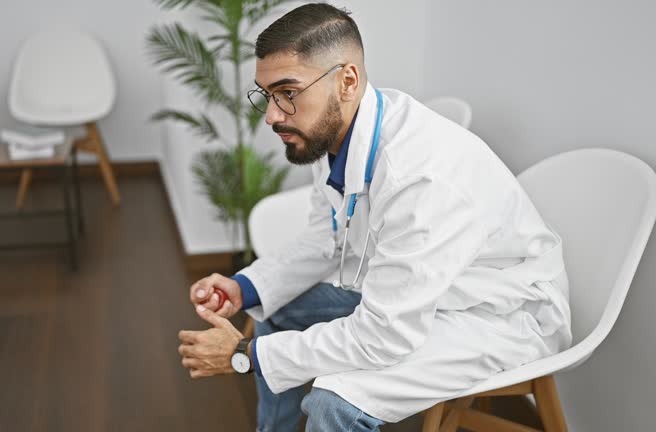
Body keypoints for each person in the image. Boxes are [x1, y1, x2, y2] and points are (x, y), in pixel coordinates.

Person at [177, 3, 571, 431]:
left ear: (347, 81)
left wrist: (246, 355)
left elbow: (384, 335)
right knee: (276, 307)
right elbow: (323, 239)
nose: (272, 115)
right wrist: (244, 286)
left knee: (334, 402)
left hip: (497, 313)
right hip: (418, 292)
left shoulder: (420, 177)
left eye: (288, 92)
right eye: (267, 95)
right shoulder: (329, 134)